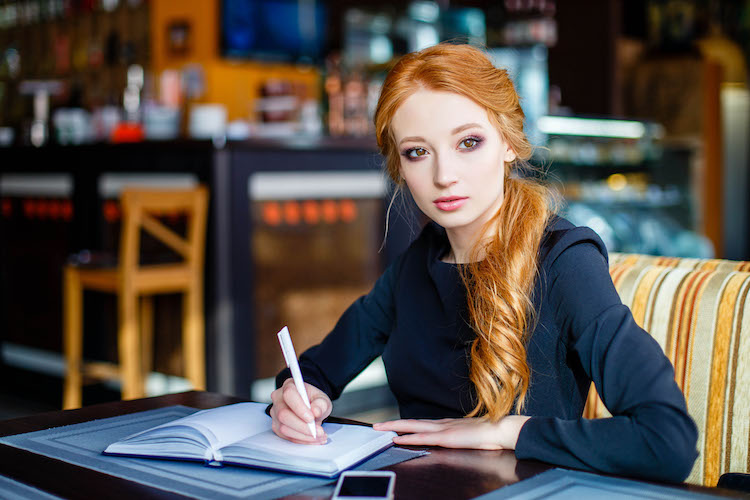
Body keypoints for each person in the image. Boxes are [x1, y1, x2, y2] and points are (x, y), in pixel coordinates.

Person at [270, 43, 698, 483]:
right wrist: (298, 398)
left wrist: (507, 431)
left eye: (468, 142)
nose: (444, 175)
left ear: (510, 144)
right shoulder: (415, 267)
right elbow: (315, 373)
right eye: (418, 152)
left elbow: (666, 440)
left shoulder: (565, 263)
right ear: (399, 166)